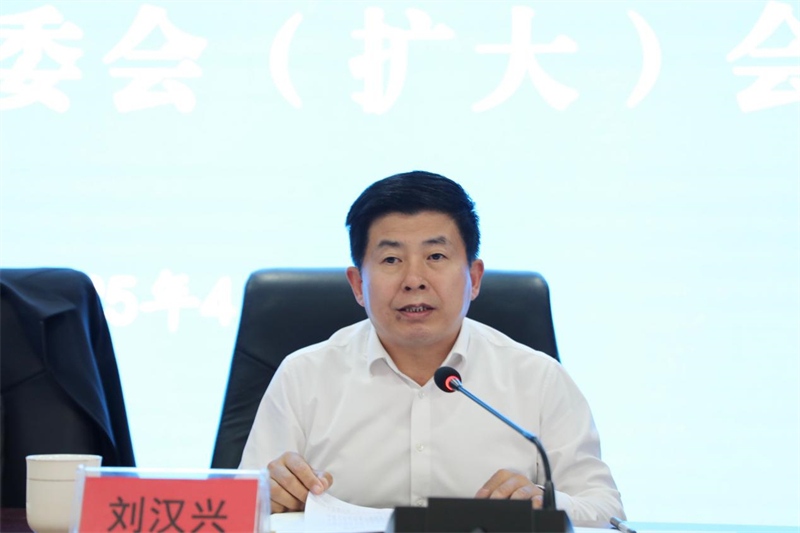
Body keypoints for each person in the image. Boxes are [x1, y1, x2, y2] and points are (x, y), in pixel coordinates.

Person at [239, 170, 625, 523]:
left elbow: (608, 512)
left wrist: (548, 504)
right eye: (391, 259)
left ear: (474, 278)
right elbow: (239, 508)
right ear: (357, 285)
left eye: (435, 256)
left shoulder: (538, 379)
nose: (414, 279)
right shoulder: (304, 376)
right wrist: (267, 496)